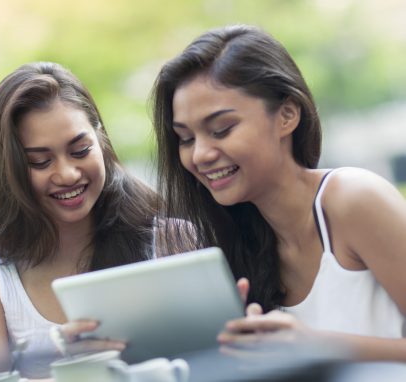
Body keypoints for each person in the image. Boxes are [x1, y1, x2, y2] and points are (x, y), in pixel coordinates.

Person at [151, 24, 406, 361]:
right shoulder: (234, 245)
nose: (200, 155)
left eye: (221, 129)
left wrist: (314, 346)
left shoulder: (352, 199)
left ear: (287, 115)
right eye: (186, 138)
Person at [0, 62, 171, 381]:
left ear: (101, 141)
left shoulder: (168, 239)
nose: (68, 174)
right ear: (8, 170)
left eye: (80, 150)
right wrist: (60, 364)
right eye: (40, 162)